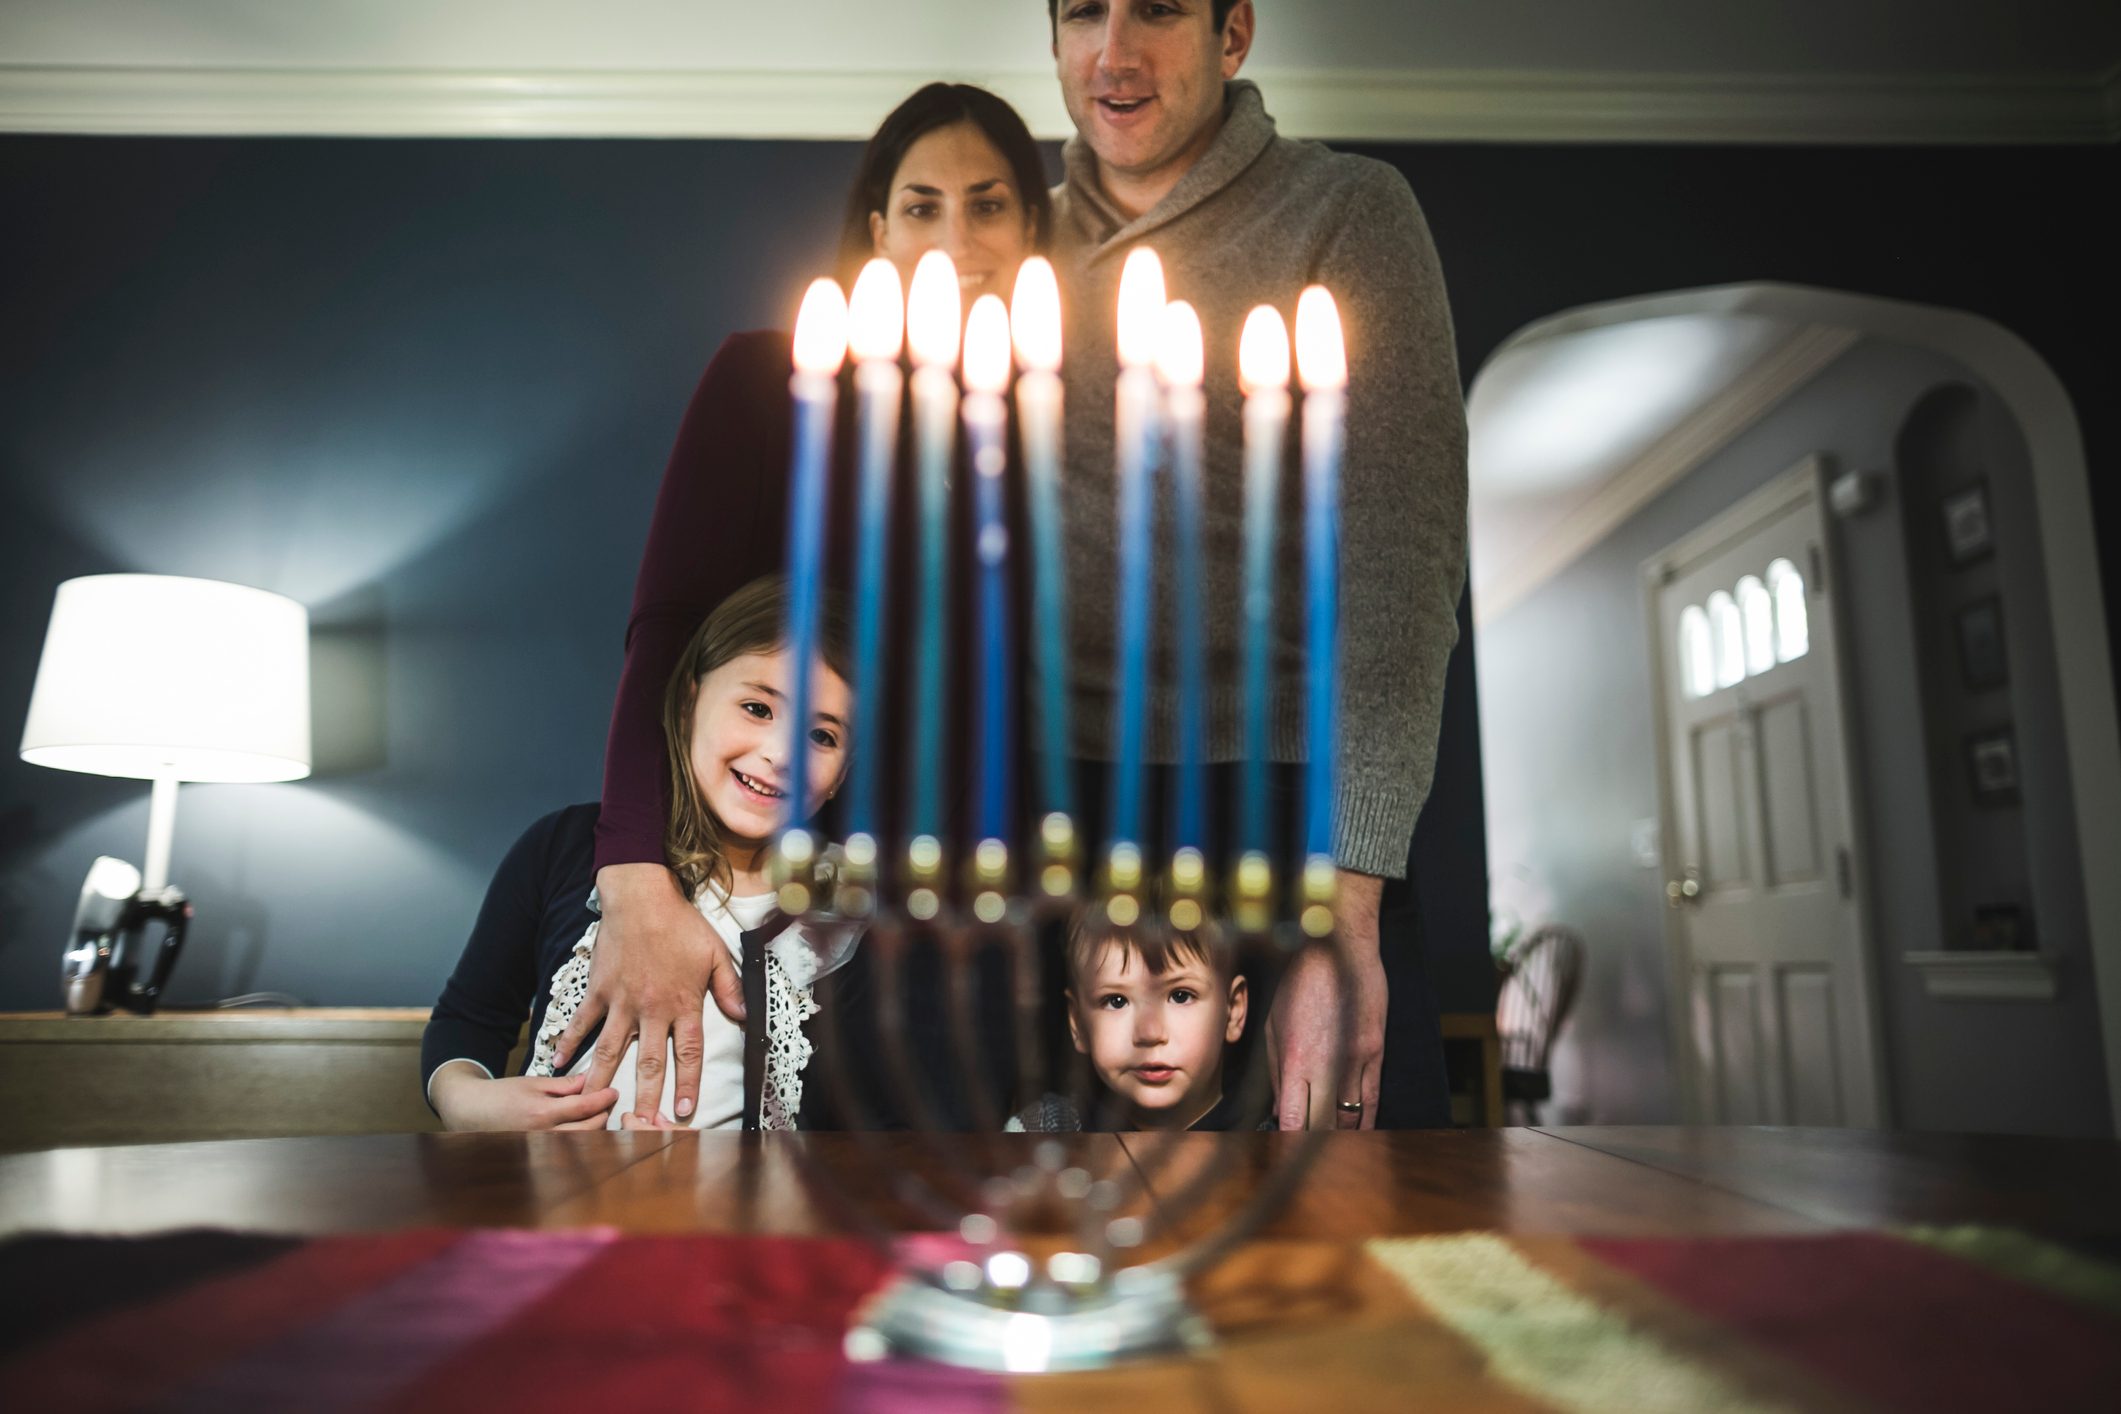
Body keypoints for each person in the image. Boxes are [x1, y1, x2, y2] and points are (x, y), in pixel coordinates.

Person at [551, 85, 1053, 1124]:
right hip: (784, 911)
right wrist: (634, 879)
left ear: (1034, 229)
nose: (956, 238)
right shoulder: (768, 384)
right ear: (877, 231)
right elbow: (664, 640)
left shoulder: (1056, 435)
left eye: (990, 203)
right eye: (921, 205)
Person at [1042, 1, 1469, 1131]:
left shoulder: (1345, 212)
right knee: (1042, 1243)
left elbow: (1398, 564)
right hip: (1043, 805)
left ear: (1233, 35)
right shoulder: (1013, 248)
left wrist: (1345, 914)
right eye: (1083, 10)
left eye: (1159, 11)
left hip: (1284, 815)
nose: (1115, 51)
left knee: (1337, 1233)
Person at [422, 576, 857, 1131]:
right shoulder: (564, 848)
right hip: (552, 1201)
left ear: (845, 771)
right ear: (688, 704)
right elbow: (470, 1018)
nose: (780, 754)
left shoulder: (853, 904)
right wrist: (466, 1100)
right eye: (756, 707)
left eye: (822, 737)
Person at [1011, 911, 1259, 1132]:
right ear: (1077, 1023)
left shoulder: (1274, 1136)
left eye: (1180, 996)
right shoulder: (1045, 1127)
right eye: (1116, 1001)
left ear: (1233, 1010)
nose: (1149, 1033)